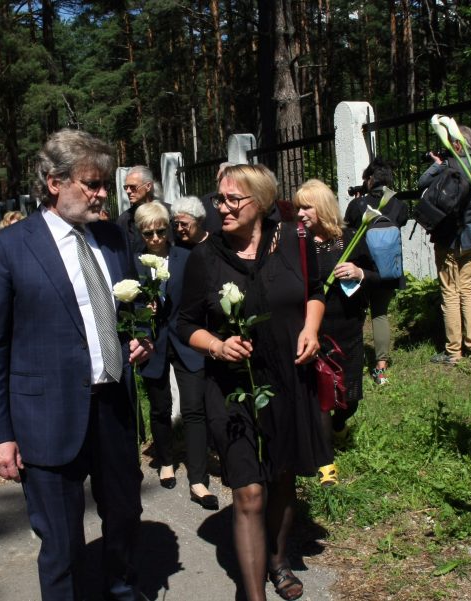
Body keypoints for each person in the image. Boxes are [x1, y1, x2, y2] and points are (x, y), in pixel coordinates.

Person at [0, 129, 152, 601]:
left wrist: (141, 339)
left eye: (105, 183)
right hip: (44, 418)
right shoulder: (5, 249)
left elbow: (133, 308)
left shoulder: (112, 238)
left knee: (125, 514)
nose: (102, 193)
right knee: (62, 542)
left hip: (112, 406)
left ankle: (122, 586)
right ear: (54, 181)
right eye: (92, 183)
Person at [177, 164, 329, 601]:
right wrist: (216, 346)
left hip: (287, 378)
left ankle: (278, 561)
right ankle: (252, 594)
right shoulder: (205, 258)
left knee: (282, 477)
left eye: (231, 200)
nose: (219, 208)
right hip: (231, 386)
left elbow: (315, 291)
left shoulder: (295, 241)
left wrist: (312, 330)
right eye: (217, 199)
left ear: (259, 203)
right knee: (247, 491)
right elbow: (185, 324)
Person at [294, 179, 378, 486]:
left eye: (306, 206)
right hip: (315, 330)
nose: (300, 213)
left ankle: (341, 425)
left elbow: (377, 277)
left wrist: (358, 273)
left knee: (348, 400)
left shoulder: (350, 239)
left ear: (323, 207)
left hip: (348, 328)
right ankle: (325, 463)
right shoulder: (298, 243)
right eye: (298, 207)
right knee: (321, 400)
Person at [134, 202, 216, 509]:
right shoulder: (135, 263)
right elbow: (125, 304)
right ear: (140, 233)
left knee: (195, 409)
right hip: (152, 344)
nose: (155, 238)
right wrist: (144, 311)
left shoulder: (186, 257)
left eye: (160, 230)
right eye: (148, 233)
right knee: (160, 407)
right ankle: (166, 461)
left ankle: (198, 479)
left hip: (186, 342)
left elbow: (199, 299)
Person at [418, 126, 471, 365]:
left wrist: (438, 163)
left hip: (448, 238)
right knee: (468, 290)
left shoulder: (449, 167)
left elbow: (422, 183)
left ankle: (453, 351)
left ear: (456, 144)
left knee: (450, 293)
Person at [344, 157, 408, 385]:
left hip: (360, 268)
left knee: (356, 315)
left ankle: (354, 359)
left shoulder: (358, 205)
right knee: (380, 314)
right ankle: (381, 367)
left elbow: (347, 228)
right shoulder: (398, 203)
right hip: (387, 269)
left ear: (370, 179)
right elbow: (402, 220)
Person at [117, 165, 157, 252]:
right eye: (126, 187)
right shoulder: (124, 220)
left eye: (133, 187)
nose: (128, 191)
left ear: (148, 186)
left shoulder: (168, 212)